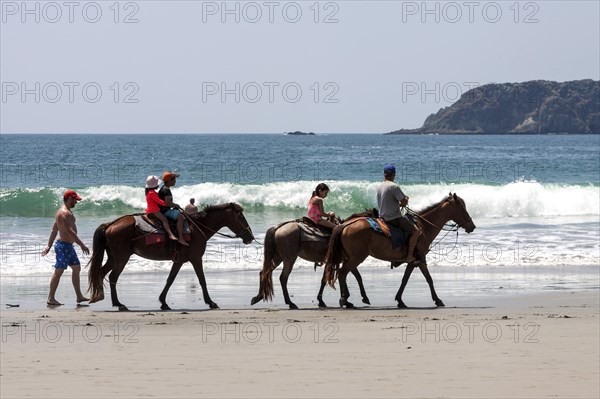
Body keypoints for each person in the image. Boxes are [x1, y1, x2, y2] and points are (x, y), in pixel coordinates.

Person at [41, 190, 90, 306]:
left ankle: (79, 296)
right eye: (75, 200)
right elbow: (70, 232)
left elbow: (54, 230)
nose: (76, 202)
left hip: (68, 246)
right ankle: (50, 298)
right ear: (69, 199)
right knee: (59, 271)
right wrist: (82, 245)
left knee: (76, 268)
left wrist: (49, 245)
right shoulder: (64, 214)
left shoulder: (64, 212)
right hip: (63, 246)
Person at [376, 164, 422, 264]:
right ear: (394, 174)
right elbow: (404, 202)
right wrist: (405, 199)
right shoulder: (394, 186)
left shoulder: (380, 186)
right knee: (416, 231)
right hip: (393, 218)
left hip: (382, 217)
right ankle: (409, 256)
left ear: (384, 174)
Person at [158, 171, 188, 246]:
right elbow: (168, 203)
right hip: (164, 211)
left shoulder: (164, 188)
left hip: (164, 209)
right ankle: (181, 238)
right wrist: (176, 205)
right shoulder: (166, 190)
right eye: (174, 179)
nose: (175, 181)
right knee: (181, 217)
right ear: (170, 180)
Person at [145, 175, 178, 242]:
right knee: (165, 220)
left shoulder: (151, 192)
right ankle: (170, 234)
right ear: (154, 185)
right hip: (154, 210)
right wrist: (168, 204)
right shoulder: (152, 193)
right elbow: (159, 201)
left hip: (153, 209)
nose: (158, 185)